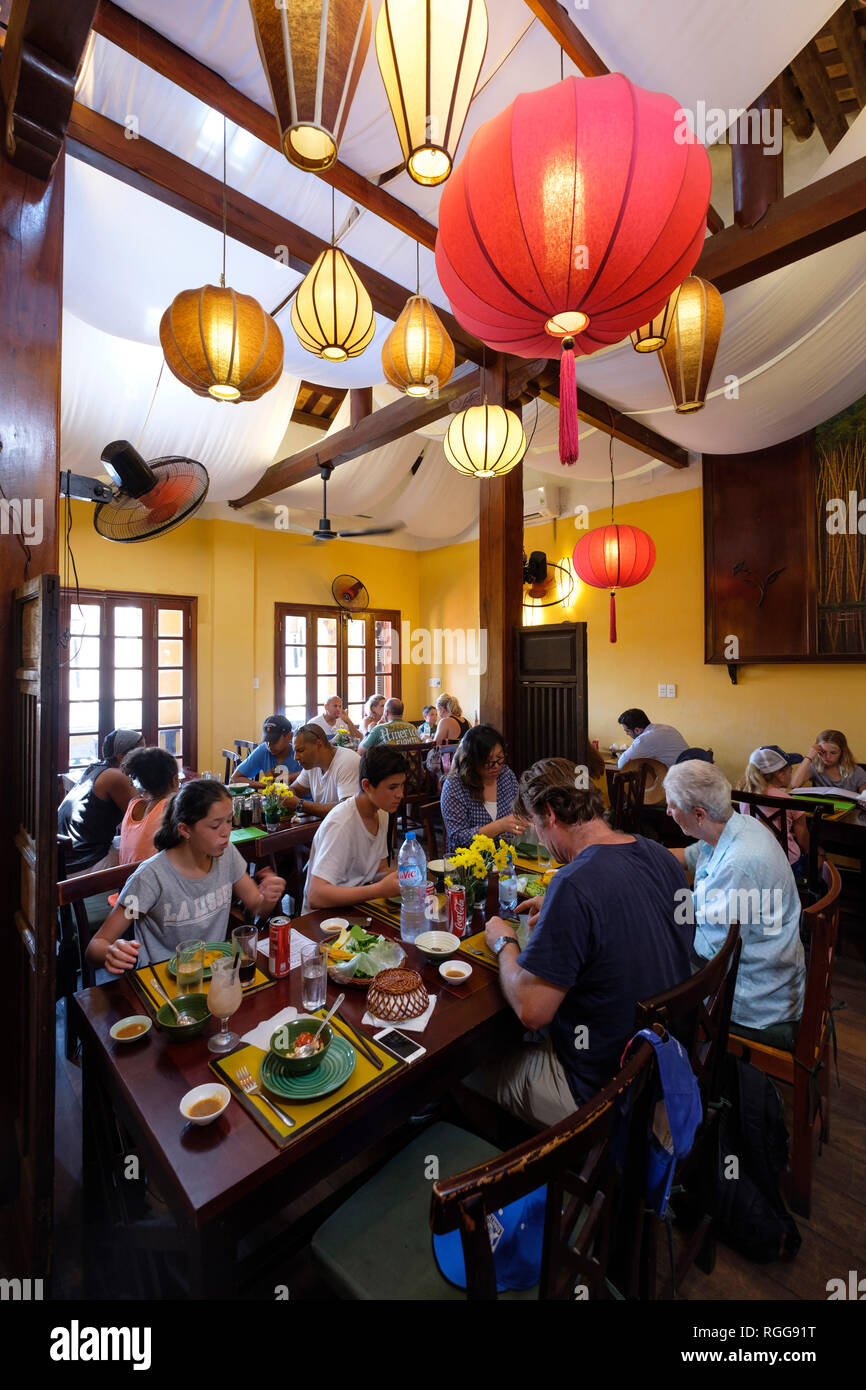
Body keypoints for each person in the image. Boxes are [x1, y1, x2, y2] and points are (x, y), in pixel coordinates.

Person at [469, 759, 692, 1128]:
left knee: (462, 1070)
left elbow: (531, 1009)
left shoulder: (573, 884)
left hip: (604, 1090)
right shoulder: (659, 854)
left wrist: (504, 942)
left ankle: (526, 1168)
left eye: (538, 828)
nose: (540, 839)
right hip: (664, 1061)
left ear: (550, 814)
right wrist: (561, 912)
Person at [664, 760, 805, 1047]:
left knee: (649, 971)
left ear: (699, 814)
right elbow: (690, 856)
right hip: (769, 971)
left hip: (755, 999)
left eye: (672, 806)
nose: (667, 812)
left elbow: (708, 948)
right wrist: (634, 853)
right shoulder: (739, 824)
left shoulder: (740, 862)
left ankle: (675, 1070)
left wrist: (651, 909)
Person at [86, 780, 285, 971]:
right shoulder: (151, 877)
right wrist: (110, 952)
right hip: (163, 979)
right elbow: (96, 946)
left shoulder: (227, 855)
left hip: (213, 971)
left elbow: (257, 907)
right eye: (215, 826)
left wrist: (268, 898)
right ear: (185, 829)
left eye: (229, 820)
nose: (227, 832)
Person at [302, 745, 405, 912]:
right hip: (326, 919)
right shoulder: (341, 823)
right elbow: (316, 895)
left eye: (402, 785)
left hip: (357, 909)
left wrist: (398, 879)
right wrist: (379, 890)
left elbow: (379, 869)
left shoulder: (382, 812)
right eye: (392, 787)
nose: (400, 794)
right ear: (367, 785)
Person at [58, 729, 144, 873]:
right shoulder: (116, 777)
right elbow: (144, 819)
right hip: (81, 862)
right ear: (122, 757)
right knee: (150, 855)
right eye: (141, 753)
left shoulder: (96, 768)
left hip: (66, 857)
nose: (146, 757)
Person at [440, 724, 526, 853]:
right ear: (471, 761)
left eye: (499, 758)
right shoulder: (455, 785)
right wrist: (500, 825)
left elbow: (520, 811)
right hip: (469, 865)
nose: (496, 766)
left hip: (507, 859)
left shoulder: (506, 775)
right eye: (488, 761)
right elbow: (457, 839)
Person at [736, 746, 810, 878]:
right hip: (787, 864)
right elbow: (803, 840)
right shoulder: (790, 801)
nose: (790, 775)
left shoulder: (744, 796)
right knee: (820, 857)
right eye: (790, 771)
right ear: (780, 775)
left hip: (754, 863)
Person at [283, 723, 362, 820]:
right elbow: (295, 789)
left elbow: (347, 810)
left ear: (318, 744)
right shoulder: (311, 764)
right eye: (295, 751)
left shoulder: (348, 761)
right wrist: (287, 795)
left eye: (300, 750)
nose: (296, 757)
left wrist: (300, 805)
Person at [118, 746, 179, 864]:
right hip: (152, 878)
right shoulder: (169, 808)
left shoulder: (133, 803)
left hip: (126, 876)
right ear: (175, 780)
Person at [789, 729, 866, 794]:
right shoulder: (815, 767)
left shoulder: (856, 771)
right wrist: (809, 756)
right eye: (823, 752)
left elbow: (864, 795)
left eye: (833, 753)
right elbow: (794, 785)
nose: (827, 757)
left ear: (843, 752)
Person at [231, 715, 300, 785]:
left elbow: (311, 771)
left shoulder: (301, 752)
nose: (269, 745)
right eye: (267, 740)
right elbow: (234, 779)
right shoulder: (263, 750)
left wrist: (292, 776)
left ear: (289, 736)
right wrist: (266, 786)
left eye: (274, 741)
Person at [616, 708, 689, 770]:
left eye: (627, 731)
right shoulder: (667, 728)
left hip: (677, 781)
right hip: (690, 773)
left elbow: (622, 764)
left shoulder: (645, 739)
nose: (627, 734)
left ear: (637, 730)